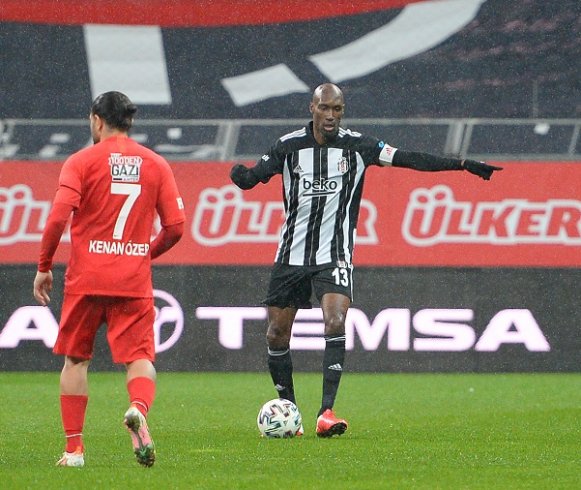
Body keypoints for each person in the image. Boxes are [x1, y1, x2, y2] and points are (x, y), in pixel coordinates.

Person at [230, 83, 501, 438]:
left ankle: (326, 412)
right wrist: (241, 176)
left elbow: (408, 158)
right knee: (277, 334)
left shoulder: (359, 146)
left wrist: (461, 164)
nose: (331, 116)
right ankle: (290, 412)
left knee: (335, 320)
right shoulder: (288, 147)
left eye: (338, 109)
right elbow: (252, 178)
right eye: (325, 108)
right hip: (291, 255)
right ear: (312, 107)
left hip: (335, 253)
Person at [33, 91, 186, 467]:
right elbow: (176, 228)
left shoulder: (81, 161)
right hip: (132, 280)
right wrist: (142, 254)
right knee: (140, 358)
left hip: (87, 278)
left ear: (97, 121)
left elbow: (57, 218)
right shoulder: (155, 164)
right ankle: (137, 409)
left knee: (76, 361)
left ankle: (74, 451)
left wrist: (43, 265)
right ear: (129, 122)